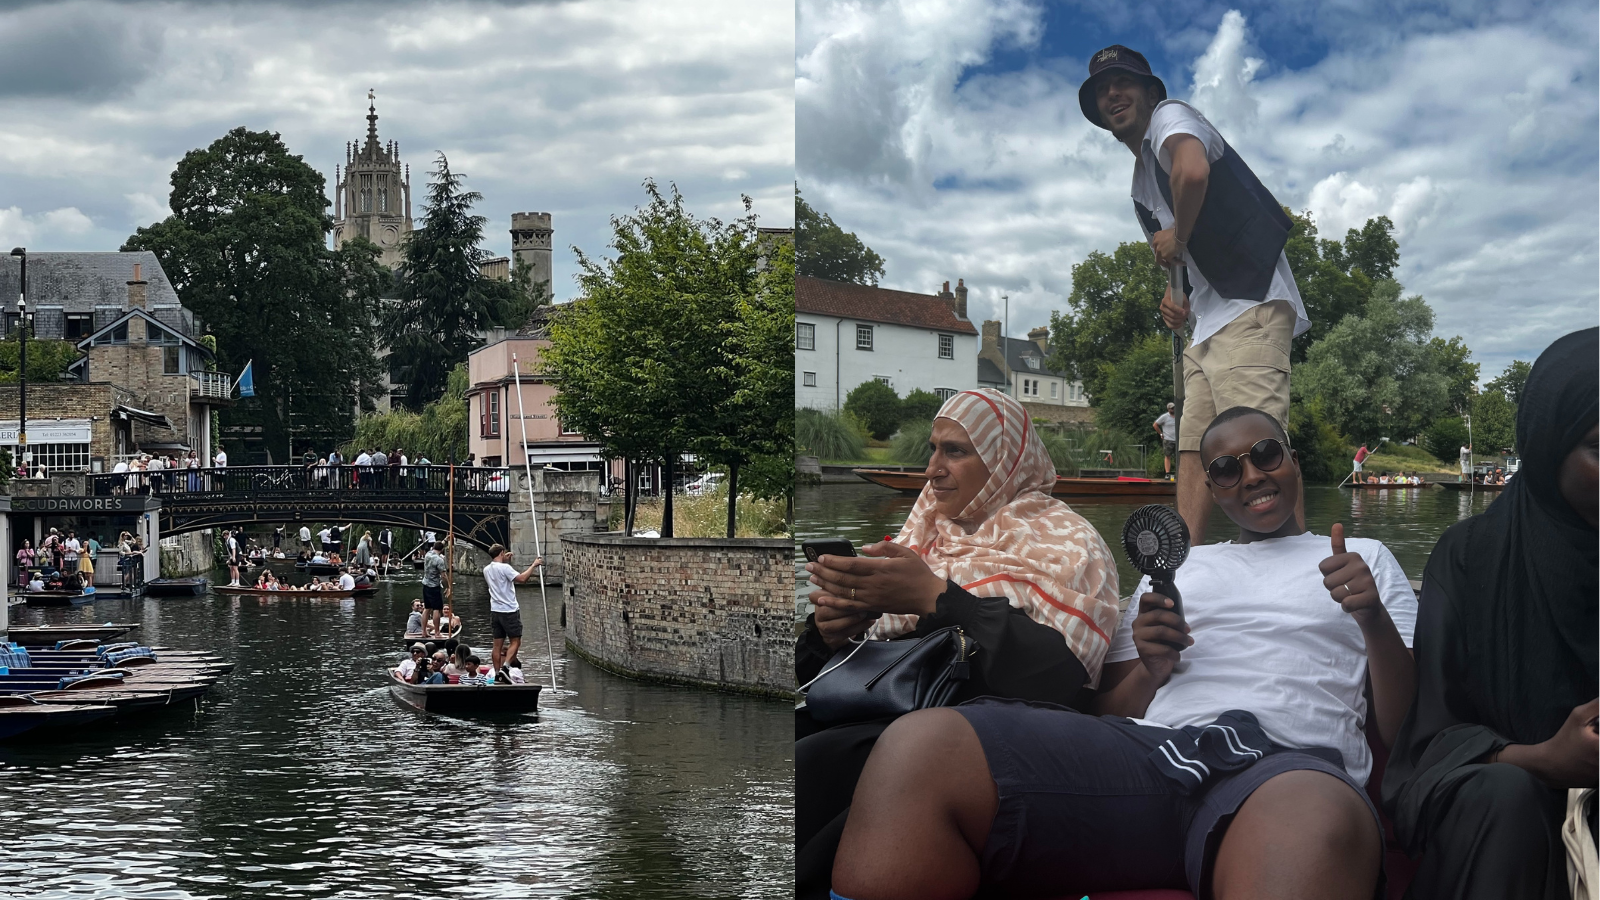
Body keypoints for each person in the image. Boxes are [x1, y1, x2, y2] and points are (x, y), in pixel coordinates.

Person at [831, 406, 1417, 900]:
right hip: (1153, 755)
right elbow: (1107, 713)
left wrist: (1371, 617)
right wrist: (1151, 670)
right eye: (1225, 468)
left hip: (1286, 766)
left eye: (1266, 454)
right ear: (1211, 488)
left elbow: (1405, 725)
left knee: (1312, 823)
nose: (1251, 476)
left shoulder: (1365, 558)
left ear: (1293, 459)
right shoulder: (1183, 568)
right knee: (920, 746)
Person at [796, 389, 1122, 898]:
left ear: (1002, 460)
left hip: (985, 739)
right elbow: (825, 674)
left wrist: (938, 598)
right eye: (932, 449)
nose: (932, 468)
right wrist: (829, 633)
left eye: (955, 451)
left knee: (817, 766)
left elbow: (1062, 682)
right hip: (890, 714)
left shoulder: (1068, 543)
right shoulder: (924, 536)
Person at [1384, 328, 1597, 900]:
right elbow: (1431, 743)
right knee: (1505, 799)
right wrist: (1545, 760)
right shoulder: (1470, 557)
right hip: (1510, 807)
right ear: (1551, 447)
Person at [1081, 44, 1310, 544]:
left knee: (1261, 452)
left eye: (1123, 83)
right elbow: (1176, 261)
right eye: (1102, 89)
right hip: (1205, 328)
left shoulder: (1172, 118)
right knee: (1194, 454)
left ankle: (1298, 594)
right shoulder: (1142, 183)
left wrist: (1178, 238)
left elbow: (1193, 171)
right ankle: (1184, 571)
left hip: (1249, 307)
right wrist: (1173, 296)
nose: (1112, 94)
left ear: (1149, 93)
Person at [482, 544, 543, 682]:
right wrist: (534, 565)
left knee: (497, 645)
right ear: (502, 553)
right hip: (509, 610)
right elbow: (522, 579)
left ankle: (497, 673)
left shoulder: (486, 569)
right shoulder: (505, 568)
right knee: (516, 641)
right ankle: (505, 667)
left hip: (495, 610)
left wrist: (504, 560)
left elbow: (500, 576)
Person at [421, 541, 448, 637]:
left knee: (427, 608)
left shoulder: (428, 554)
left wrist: (446, 539)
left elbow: (439, 545)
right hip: (434, 586)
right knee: (437, 609)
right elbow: (444, 576)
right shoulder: (439, 560)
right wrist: (448, 587)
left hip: (425, 584)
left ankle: (423, 632)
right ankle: (437, 633)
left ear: (433, 547)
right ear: (442, 550)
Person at [1152, 401, 1178, 477]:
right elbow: (1155, 425)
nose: (1173, 409)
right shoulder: (1165, 417)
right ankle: (1167, 473)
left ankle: (1178, 472)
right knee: (1168, 456)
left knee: (1178, 457)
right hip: (1168, 439)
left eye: (1174, 408)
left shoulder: (1178, 415)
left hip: (1177, 439)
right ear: (1168, 409)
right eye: (1171, 408)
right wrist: (1160, 433)